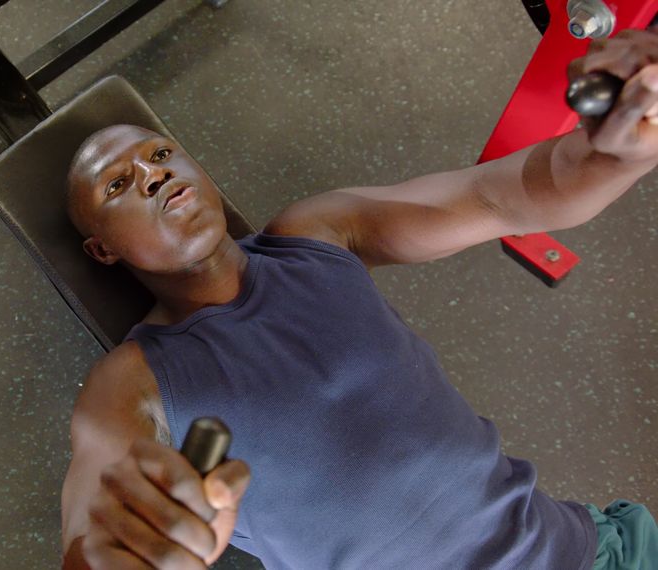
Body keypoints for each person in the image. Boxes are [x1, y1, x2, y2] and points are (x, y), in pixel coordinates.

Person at [58, 29, 658, 570]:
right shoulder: (129, 382)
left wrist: (612, 155)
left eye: (161, 155)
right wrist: (118, 551)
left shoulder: (317, 235)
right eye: (119, 184)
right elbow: (90, 527)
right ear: (102, 249)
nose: (154, 175)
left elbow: (500, 198)